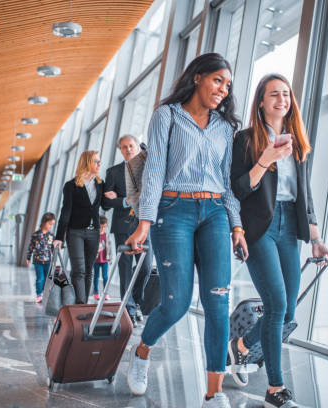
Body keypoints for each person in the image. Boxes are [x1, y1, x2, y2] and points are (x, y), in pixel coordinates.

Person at [125, 53, 247, 408]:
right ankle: (143, 350)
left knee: (217, 303)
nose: (223, 90)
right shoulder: (167, 116)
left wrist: (235, 224)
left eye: (227, 85)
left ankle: (213, 394)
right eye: (217, 81)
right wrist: (144, 222)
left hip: (214, 214)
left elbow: (226, 183)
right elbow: (155, 171)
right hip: (173, 211)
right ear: (198, 77)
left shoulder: (226, 128)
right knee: (176, 304)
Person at [229, 73, 328, 408]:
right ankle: (275, 389)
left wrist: (315, 238)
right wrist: (265, 160)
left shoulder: (297, 142)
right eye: (274, 94)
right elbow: (239, 189)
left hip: (290, 226)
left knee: (287, 312)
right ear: (261, 101)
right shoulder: (245, 141)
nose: (281, 100)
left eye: (286, 94)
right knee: (275, 305)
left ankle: (242, 346)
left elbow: (305, 195)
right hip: (259, 228)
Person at [102, 135, 154, 327]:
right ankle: (129, 310)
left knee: (146, 266)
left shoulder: (149, 168)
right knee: (125, 269)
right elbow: (106, 203)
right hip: (123, 226)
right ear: (121, 150)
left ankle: (136, 300)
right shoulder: (114, 172)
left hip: (146, 225)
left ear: (137, 146)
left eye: (131, 145)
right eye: (124, 147)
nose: (128, 149)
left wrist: (125, 198)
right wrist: (123, 201)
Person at [53, 150, 104, 304]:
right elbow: (65, 211)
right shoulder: (71, 186)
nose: (99, 164)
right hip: (75, 232)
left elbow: (106, 205)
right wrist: (59, 237)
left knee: (89, 270)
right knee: (79, 270)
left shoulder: (100, 185)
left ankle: (84, 304)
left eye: (99, 161)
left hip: (94, 232)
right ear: (87, 162)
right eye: (96, 161)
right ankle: (80, 305)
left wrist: (123, 201)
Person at [26, 212, 56, 303]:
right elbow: (31, 247)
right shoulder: (36, 235)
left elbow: (53, 248)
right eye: (49, 224)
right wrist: (28, 258)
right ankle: (39, 294)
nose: (51, 226)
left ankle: (45, 293)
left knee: (47, 279)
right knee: (40, 278)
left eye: (52, 225)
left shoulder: (51, 236)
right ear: (44, 222)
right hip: (38, 261)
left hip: (48, 261)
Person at [92, 215, 113, 301]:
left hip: (104, 260)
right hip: (96, 260)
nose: (103, 228)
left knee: (105, 277)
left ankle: (105, 293)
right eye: (102, 226)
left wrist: (110, 258)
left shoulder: (107, 235)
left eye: (105, 226)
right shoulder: (94, 234)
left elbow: (110, 247)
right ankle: (96, 293)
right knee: (96, 276)